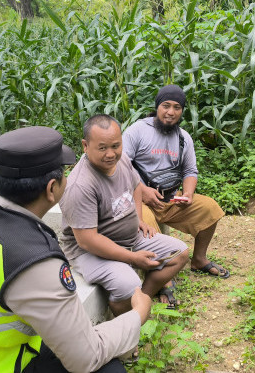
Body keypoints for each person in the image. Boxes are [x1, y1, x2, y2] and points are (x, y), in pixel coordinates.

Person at [0, 126, 152, 373]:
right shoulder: (33, 263)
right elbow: (86, 358)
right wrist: (137, 315)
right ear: (51, 188)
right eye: (65, 173)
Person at [58, 114, 189, 316]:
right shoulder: (81, 185)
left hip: (129, 237)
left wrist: (138, 219)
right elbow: (87, 240)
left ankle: (141, 301)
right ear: (85, 145)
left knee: (179, 253)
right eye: (102, 148)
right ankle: (125, 326)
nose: (111, 154)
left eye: (115, 146)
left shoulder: (122, 160)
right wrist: (132, 258)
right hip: (89, 251)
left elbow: (136, 186)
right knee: (128, 285)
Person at [122, 84, 230, 300]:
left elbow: (190, 170)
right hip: (141, 199)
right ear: (157, 106)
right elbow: (121, 166)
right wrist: (143, 191)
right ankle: (163, 278)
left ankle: (199, 259)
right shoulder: (137, 131)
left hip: (171, 200)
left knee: (210, 208)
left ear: (182, 111)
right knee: (147, 226)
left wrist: (188, 194)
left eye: (177, 107)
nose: (171, 112)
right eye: (166, 106)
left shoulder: (183, 138)